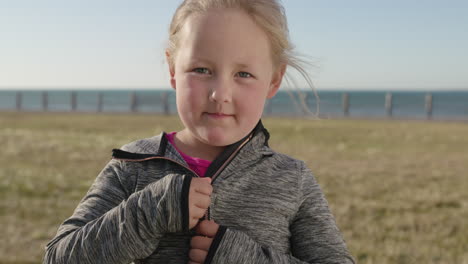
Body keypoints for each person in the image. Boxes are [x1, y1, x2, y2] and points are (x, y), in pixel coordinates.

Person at [43, 0, 354, 263]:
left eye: (243, 74)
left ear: (273, 80)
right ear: (172, 70)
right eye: (201, 70)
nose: (220, 94)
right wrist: (150, 210)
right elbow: (59, 256)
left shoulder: (292, 178)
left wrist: (244, 257)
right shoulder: (133, 165)